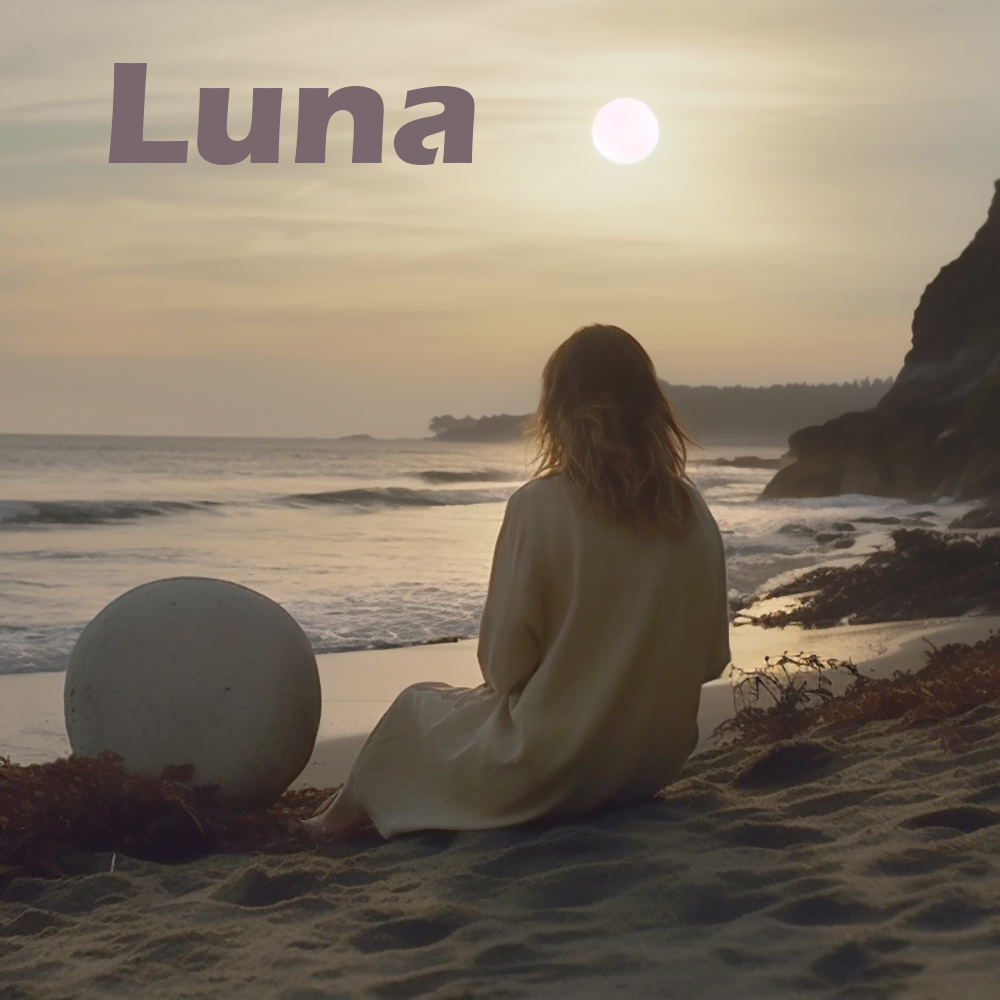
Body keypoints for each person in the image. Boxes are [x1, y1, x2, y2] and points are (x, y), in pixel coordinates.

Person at [303, 324, 731, 840]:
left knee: (416, 706)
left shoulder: (538, 505)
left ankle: (330, 825)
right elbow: (711, 659)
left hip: (553, 768)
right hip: (649, 768)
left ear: (556, 408)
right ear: (651, 404)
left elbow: (503, 668)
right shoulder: (693, 510)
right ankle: (337, 814)